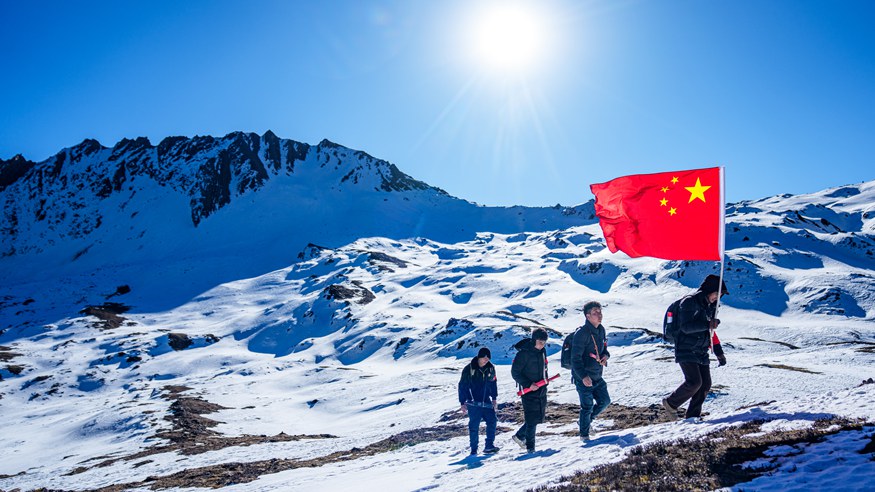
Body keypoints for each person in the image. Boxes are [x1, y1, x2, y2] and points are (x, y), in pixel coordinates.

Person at [662, 274, 729, 420]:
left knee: (705, 385)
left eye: (720, 295)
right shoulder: (689, 302)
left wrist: (718, 352)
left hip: (701, 350)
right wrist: (708, 324)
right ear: (708, 290)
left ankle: (692, 417)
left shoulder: (710, 307)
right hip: (686, 348)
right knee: (694, 382)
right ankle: (670, 403)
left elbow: (711, 333)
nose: (717, 297)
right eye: (717, 293)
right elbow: (685, 327)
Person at [571, 301, 611, 442]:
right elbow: (574, 359)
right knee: (587, 406)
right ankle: (584, 438)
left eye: (600, 312)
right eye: (595, 313)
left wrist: (606, 355)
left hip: (597, 375)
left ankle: (585, 422)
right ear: (588, 316)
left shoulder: (601, 330)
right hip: (583, 377)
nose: (599, 315)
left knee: (605, 401)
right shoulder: (581, 334)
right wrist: (583, 376)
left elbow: (604, 350)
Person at [510, 328, 549, 453]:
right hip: (528, 390)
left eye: (544, 342)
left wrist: (545, 382)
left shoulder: (543, 352)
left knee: (537, 417)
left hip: (541, 388)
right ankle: (530, 448)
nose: (542, 344)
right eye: (540, 341)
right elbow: (515, 373)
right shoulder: (523, 353)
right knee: (531, 419)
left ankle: (520, 436)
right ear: (534, 340)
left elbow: (545, 368)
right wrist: (528, 384)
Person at [458, 347, 500, 455]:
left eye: (488, 357)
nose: (486, 359)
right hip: (473, 401)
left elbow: (493, 383)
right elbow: (462, 385)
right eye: (484, 357)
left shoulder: (491, 368)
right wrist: (462, 402)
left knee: (492, 421)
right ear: (479, 357)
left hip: (486, 400)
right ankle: (473, 449)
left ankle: (489, 445)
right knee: (474, 426)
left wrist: (494, 398)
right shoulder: (469, 369)